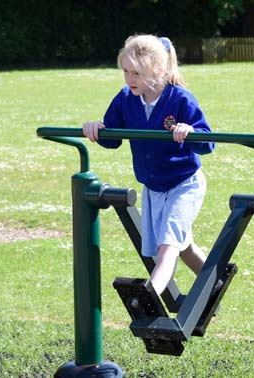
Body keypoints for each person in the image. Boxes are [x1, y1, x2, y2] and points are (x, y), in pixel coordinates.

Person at [83, 35, 214, 300]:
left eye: (137, 73)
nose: (130, 79)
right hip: (153, 186)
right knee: (181, 245)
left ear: (158, 71)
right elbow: (113, 138)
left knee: (168, 247)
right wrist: (96, 129)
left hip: (183, 183)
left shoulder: (180, 100)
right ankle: (214, 281)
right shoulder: (125, 99)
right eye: (126, 72)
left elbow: (208, 143)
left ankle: (149, 296)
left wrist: (191, 131)